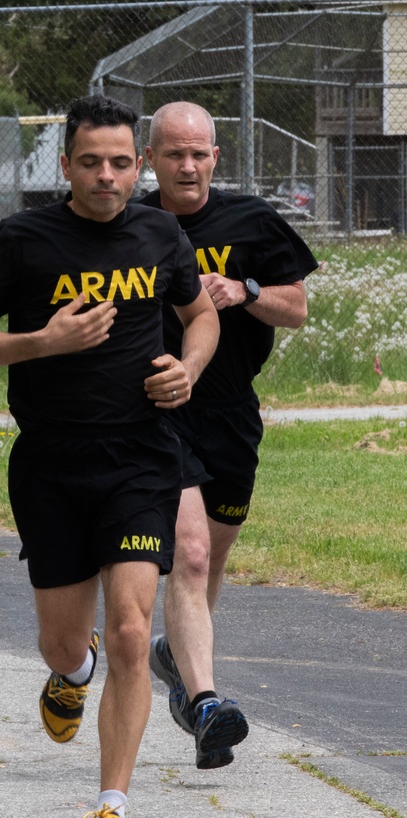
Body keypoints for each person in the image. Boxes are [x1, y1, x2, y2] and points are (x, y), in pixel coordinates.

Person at [0, 95, 219, 818]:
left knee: (134, 628)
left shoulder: (161, 234)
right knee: (62, 641)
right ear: (65, 165)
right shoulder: (23, 240)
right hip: (52, 462)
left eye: (121, 163)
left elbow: (202, 315)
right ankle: (75, 670)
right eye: (91, 162)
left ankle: (112, 801)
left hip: (141, 456)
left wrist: (189, 368)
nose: (107, 176)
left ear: (140, 168)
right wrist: (42, 342)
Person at [140, 101, 318, 770]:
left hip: (231, 415)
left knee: (208, 563)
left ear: (216, 157)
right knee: (186, 556)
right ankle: (205, 700)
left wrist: (244, 290)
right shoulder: (131, 226)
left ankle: (178, 661)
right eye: (173, 153)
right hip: (157, 413)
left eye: (198, 153)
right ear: (151, 158)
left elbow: (296, 307)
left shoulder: (251, 221)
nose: (186, 164)